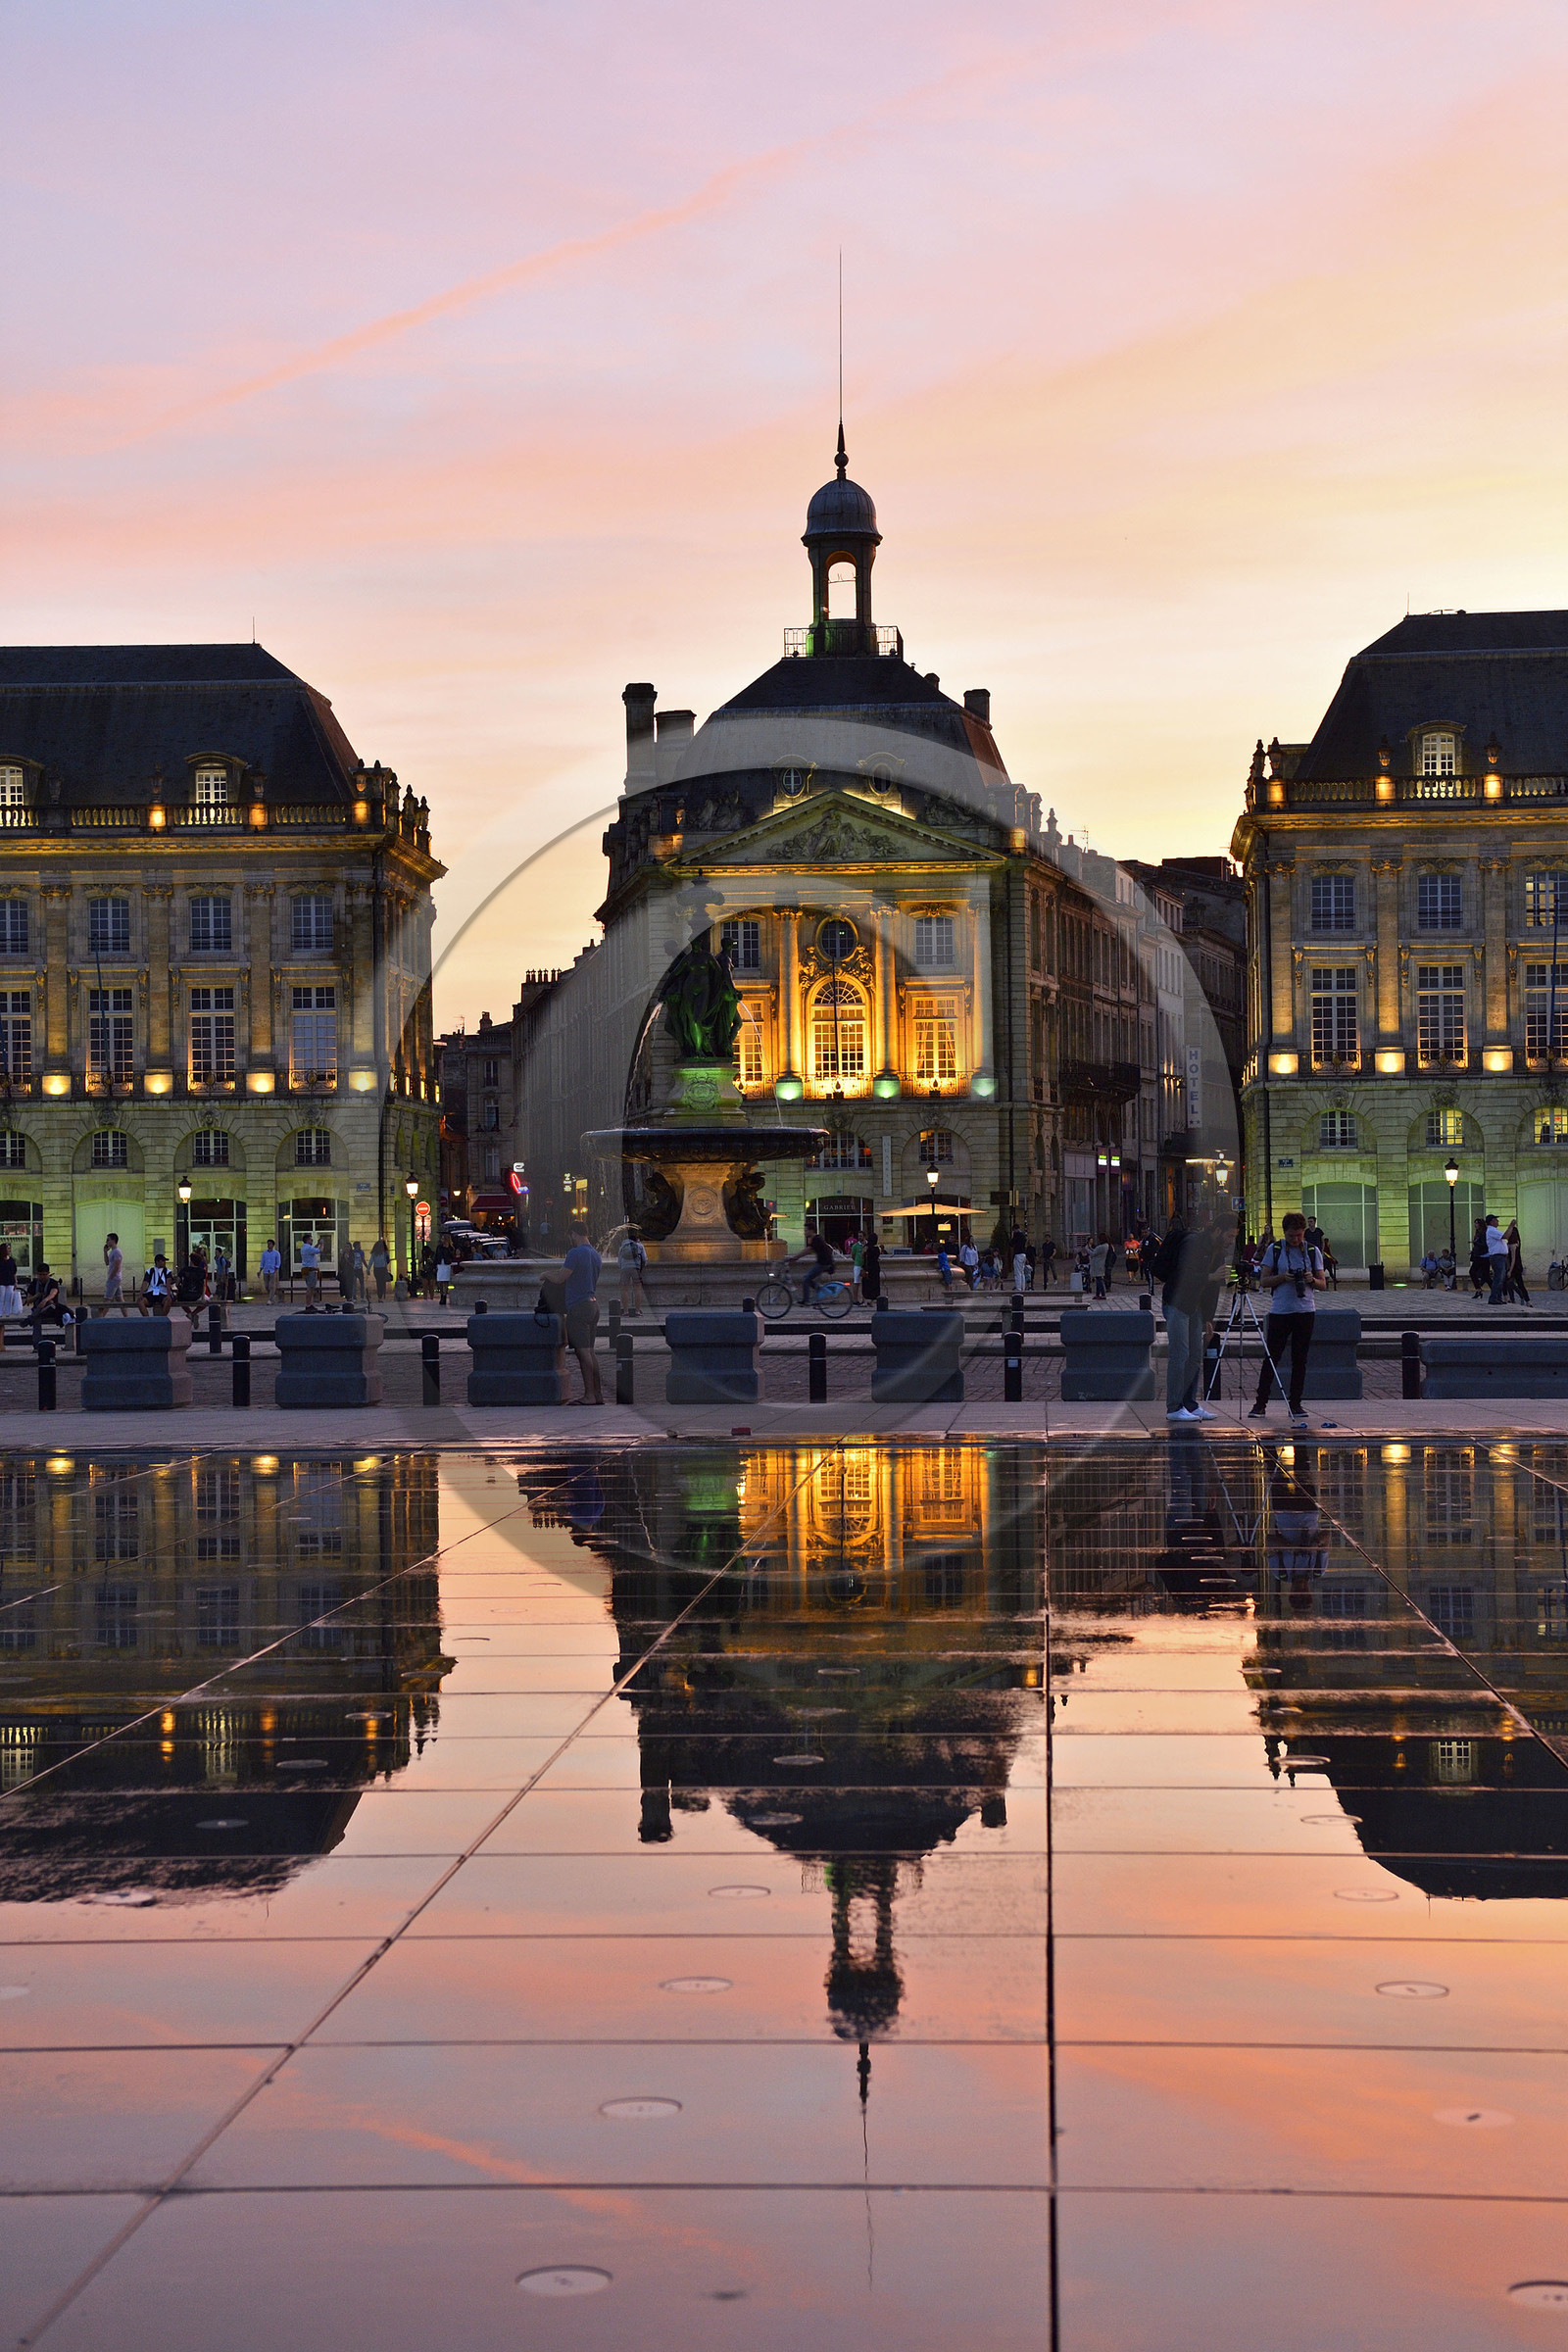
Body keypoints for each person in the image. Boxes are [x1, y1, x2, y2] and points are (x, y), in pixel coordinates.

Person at [1248, 1211, 1327, 1426]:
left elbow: (1323, 1283)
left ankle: (1296, 1403)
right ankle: (1260, 1403)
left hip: (1305, 1310)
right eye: (1292, 1236)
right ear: (1284, 1233)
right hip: (1281, 1311)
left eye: (1299, 1235)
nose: (1296, 1240)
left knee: (1300, 1359)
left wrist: (1311, 1280)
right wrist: (1284, 1277)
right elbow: (1263, 1281)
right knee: (1271, 1357)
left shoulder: (1312, 1251)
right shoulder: (1275, 1250)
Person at [1152, 1211, 1214, 1423]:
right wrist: (1210, 1276)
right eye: (1230, 1237)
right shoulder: (1194, 1245)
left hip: (1194, 1306)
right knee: (1180, 1354)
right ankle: (1174, 1406)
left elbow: (1210, 1288)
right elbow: (1183, 1276)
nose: (1231, 1241)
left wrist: (1208, 1316)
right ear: (1218, 1231)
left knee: (1195, 1354)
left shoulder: (1214, 1250)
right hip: (1176, 1303)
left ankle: (1189, 1404)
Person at [563, 1220, 603, 1403]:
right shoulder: (595, 1254)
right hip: (593, 1305)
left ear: (573, 1233)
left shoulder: (575, 1253)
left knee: (583, 1352)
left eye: (570, 1236)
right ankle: (598, 1394)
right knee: (590, 1352)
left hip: (578, 1307)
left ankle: (589, 1395)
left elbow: (562, 1276)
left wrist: (546, 1275)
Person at [797, 1227, 836, 1304]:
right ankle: (819, 1289)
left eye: (806, 1230)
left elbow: (808, 1250)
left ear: (811, 1230)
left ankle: (806, 1300)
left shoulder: (816, 1239)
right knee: (808, 1278)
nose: (804, 1232)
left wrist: (795, 1257)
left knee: (805, 1278)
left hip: (823, 1263)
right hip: (824, 1262)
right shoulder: (817, 1238)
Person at [28, 1261, 64, 1342]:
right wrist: (37, 1295)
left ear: (48, 1273)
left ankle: (30, 1319)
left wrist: (45, 1300)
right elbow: (28, 1300)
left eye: (45, 1275)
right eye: (40, 1275)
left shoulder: (53, 1283)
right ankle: (37, 1346)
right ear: (37, 1274)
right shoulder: (34, 1283)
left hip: (51, 1310)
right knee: (36, 1319)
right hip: (38, 1311)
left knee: (50, 1303)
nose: (43, 1277)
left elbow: (53, 1293)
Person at [101, 1231, 132, 1317]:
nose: (106, 1242)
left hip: (114, 1278)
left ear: (113, 1240)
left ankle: (101, 1317)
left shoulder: (117, 1252)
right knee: (120, 1299)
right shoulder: (112, 1251)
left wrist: (111, 1277)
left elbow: (117, 1266)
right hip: (115, 1278)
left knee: (108, 1299)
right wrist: (105, 1252)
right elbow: (107, 1263)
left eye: (108, 1240)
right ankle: (126, 1316)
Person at [616, 1229, 648, 1314]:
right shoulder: (639, 1246)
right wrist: (641, 1267)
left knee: (624, 1289)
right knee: (637, 1289)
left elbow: (619, 1260)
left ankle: (625, 1311)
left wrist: (622, 1267)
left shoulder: (623, 1245)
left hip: (624, 1268)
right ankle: (637, 1311)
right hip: (635, 1268)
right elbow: (644, 1259)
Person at [1484, 1213, 1509, 1304]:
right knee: (1498, 1278)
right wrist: (1511, 1226)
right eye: (1496, 1220)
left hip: (1500, 1257)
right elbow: (1506, 1236)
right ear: (1491, 1221)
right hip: (1497, 1257)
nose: (1498, 1221)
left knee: (1500, 1278)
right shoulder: (1491, 1230)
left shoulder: (1494, 1230)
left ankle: (1498, 1297)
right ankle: (1494, 1297)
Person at [1505, 1218, 1532, 1306]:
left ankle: (1522, 1299)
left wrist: (1510, 1270)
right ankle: (1523, 1300)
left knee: (1514, 1283)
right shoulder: (1513, 1244)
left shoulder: (1513, 1245)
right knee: (1512, 1283)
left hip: (1515, 1267)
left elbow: (1513, 1259)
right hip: (1515, 1266)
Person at [1469, 1218, 1491, 1298]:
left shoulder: (1484, 1233)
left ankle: (1495, 1292)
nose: (1475, 1225)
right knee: (1474, 1272)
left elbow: (1484, 1244)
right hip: (1479, 1256)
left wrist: (1475, 1242)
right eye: (1475, 1223)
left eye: (1477, 1223)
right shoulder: (1478, 1233)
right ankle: (1478, 1289)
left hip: (1484, 1256)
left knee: (1486, 1275)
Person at [0, 1245, 21, 1327]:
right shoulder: (0, 1260)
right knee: (2, 1297)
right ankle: (1, 1312)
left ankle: (8, 1312)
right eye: (8, 1249)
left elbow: (14, 1271)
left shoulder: (11, 1260)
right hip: (1, 1282)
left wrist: (15, 1281)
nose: (9, 1250)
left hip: (10, 1281)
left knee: (9, 1297)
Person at [300, 1234, 321, 1310]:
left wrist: (318, 1244)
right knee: (310, 1288)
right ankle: (308, 1304)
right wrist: (322, 1244)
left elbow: (313, 1249)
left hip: (307, 1269)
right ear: (307, 1240)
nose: (312, 1241)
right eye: (311, 1239)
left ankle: (310, 1303)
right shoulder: (308, 1248)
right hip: (311, 1270)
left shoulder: (304, 1247)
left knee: (311, 1288)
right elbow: (319, 1250)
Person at [860, 1230, 882, 1305]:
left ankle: (865, 1300)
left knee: (866, 1284)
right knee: (875, 1284)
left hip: (867, 1268)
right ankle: (873, 1301)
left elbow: (862, 1256)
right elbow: (877, 1258)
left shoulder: (866, 1248)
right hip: (875, 1268)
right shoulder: (878, 1249)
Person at [260, 1237, 281, 1305]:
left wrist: (276, 1269)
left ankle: (270, 1299)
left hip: (272, 1271)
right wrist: (260, 1270)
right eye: (268, 1244)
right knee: (266, 1285)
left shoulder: (276, 1253)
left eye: (270, 1244)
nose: (268, 1245)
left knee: (272, 1285)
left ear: (273, 1245)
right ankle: (272, 1296)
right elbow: (262, 1262)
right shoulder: (264, 1253)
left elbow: (278, 1262)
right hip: (266, 1271)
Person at [1089, 1235, 1110, 1300]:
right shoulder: (1106, 1246)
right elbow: (1095, 1251)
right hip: (1100, 1264)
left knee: (1098, 1280)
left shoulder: (1101, 1247)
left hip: (1097, 1264)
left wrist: (1087, 1248)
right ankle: (1097, 1294)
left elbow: (1093, 1253)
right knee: (1098, 1278)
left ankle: (1103, 1294)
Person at [370, 1235, 391, 1302]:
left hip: (377, 1269)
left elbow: (371, 1261)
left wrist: (368, 1269)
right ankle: (380, 1296)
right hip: (382, 1269)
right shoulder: (385, 1253)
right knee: (381, 1283)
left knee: (379, 1283)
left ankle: (380, 1296)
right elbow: (388, 1260)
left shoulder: (375, 1253)